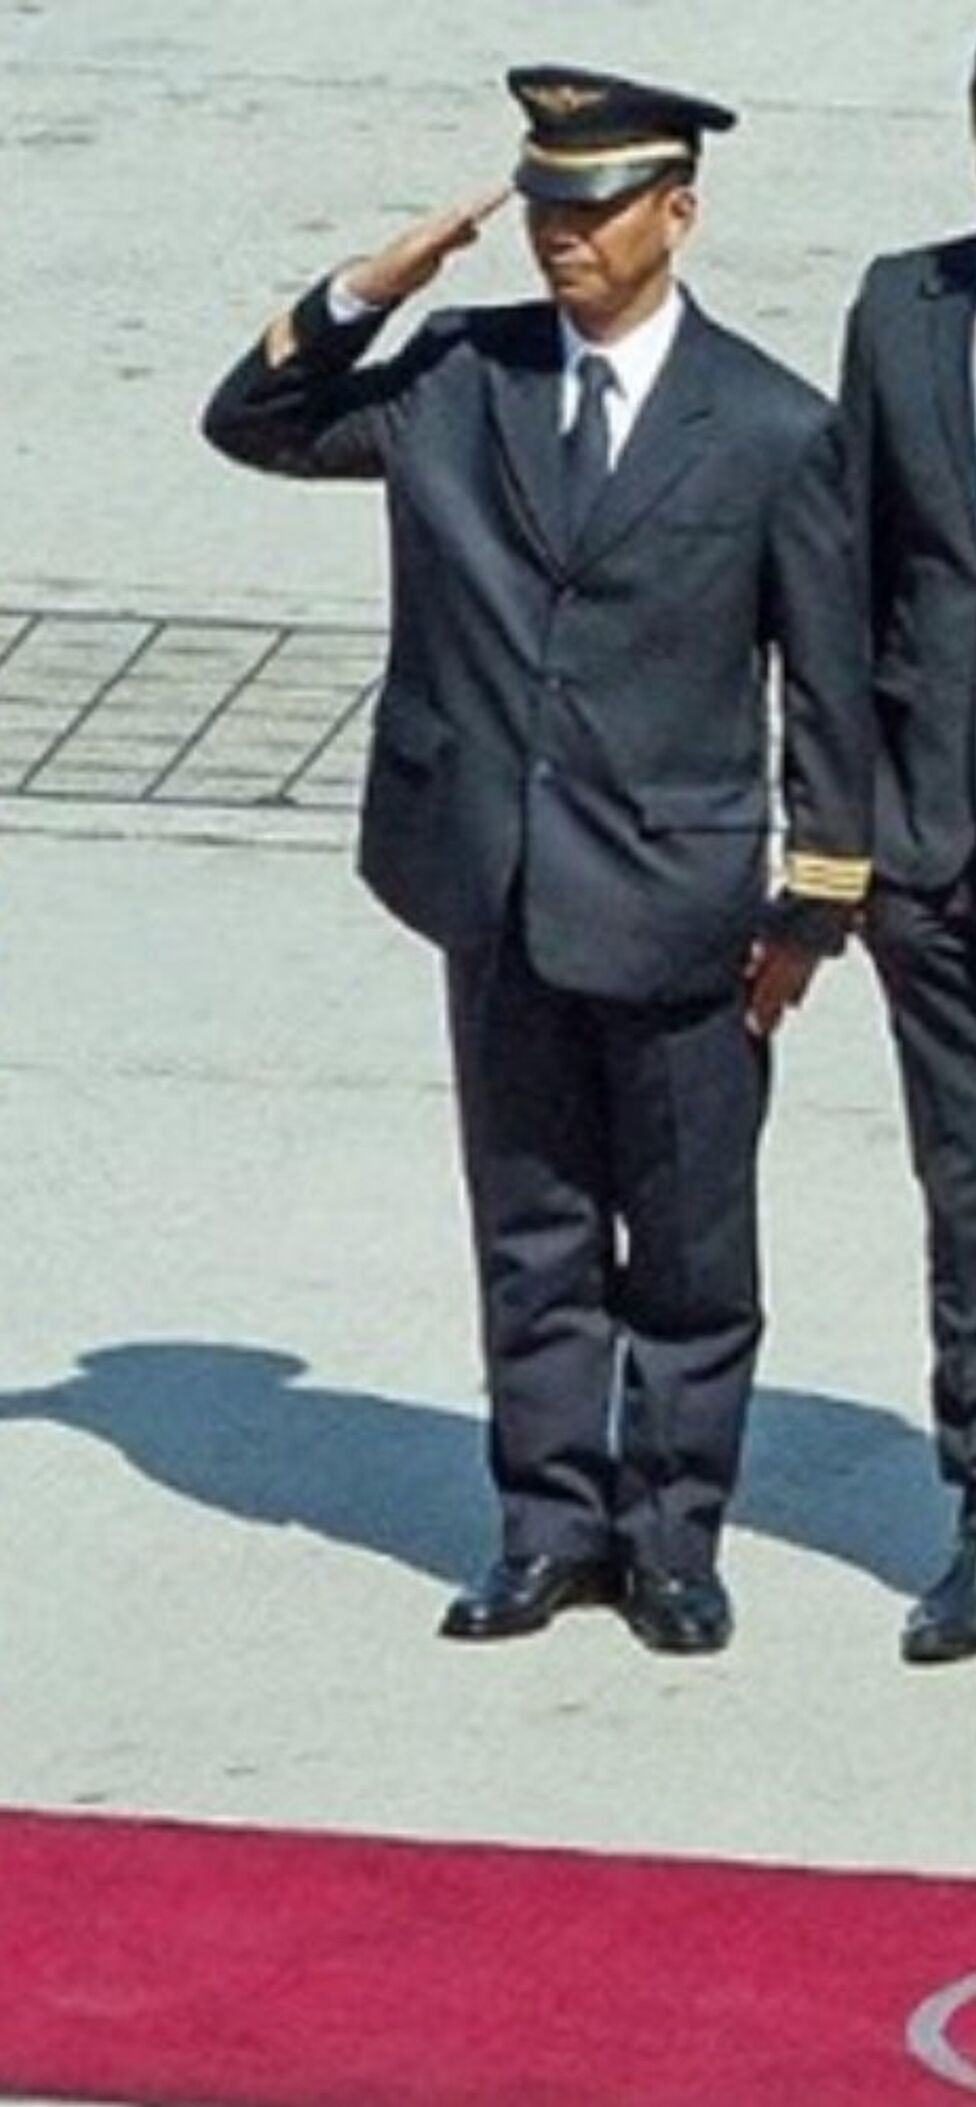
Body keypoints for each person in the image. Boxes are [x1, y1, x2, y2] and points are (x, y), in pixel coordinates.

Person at [203, 66, 872, 1655]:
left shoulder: (772, 426)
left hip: (683, 899)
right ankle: (548, 1525)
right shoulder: (458, 372)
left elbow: (828, 684)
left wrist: (815, 899)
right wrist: (372, 287)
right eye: (546, 207)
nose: (564, 234)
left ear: (677, 213)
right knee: (531, 1229)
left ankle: (673, 1536)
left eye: (597, 207)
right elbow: (256, 426)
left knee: (692, 1251)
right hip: (490, 880)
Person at [838, 46, 976, 1665]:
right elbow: (848, 577)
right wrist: (853, 846)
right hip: (940, 854)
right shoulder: (904, 309)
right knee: (968, 1195)